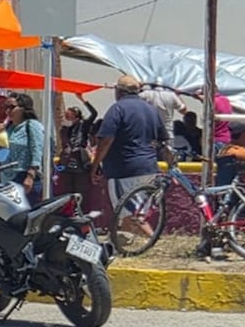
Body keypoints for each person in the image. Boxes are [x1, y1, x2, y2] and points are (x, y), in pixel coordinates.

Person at [90, 75, 168, 247]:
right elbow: (163, 140)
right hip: (149, 168)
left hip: (124, 170)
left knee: (131, 215)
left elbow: (106, 140)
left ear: (119, 91)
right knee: (131, 214)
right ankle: (129, 247)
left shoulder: (118, 109)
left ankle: (154, 243)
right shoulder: (150, 110)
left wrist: (95, 166)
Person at [2, 93, 45, 205]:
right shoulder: (9, 128)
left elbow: (37, 151)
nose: (8, 111)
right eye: (5, 107)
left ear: (23, 108)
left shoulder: (32, 125)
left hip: (24, 176)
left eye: (12, 107)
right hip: (7, 178)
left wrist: (30, 176)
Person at [59, 93, 98, 196]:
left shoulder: (83, 124)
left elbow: (94, 113)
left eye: (69, 114)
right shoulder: (67, 128)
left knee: (80, 186)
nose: (67, 116)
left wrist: (83, 100)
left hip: (80, 158)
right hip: (69, 159)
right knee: (68, 186)